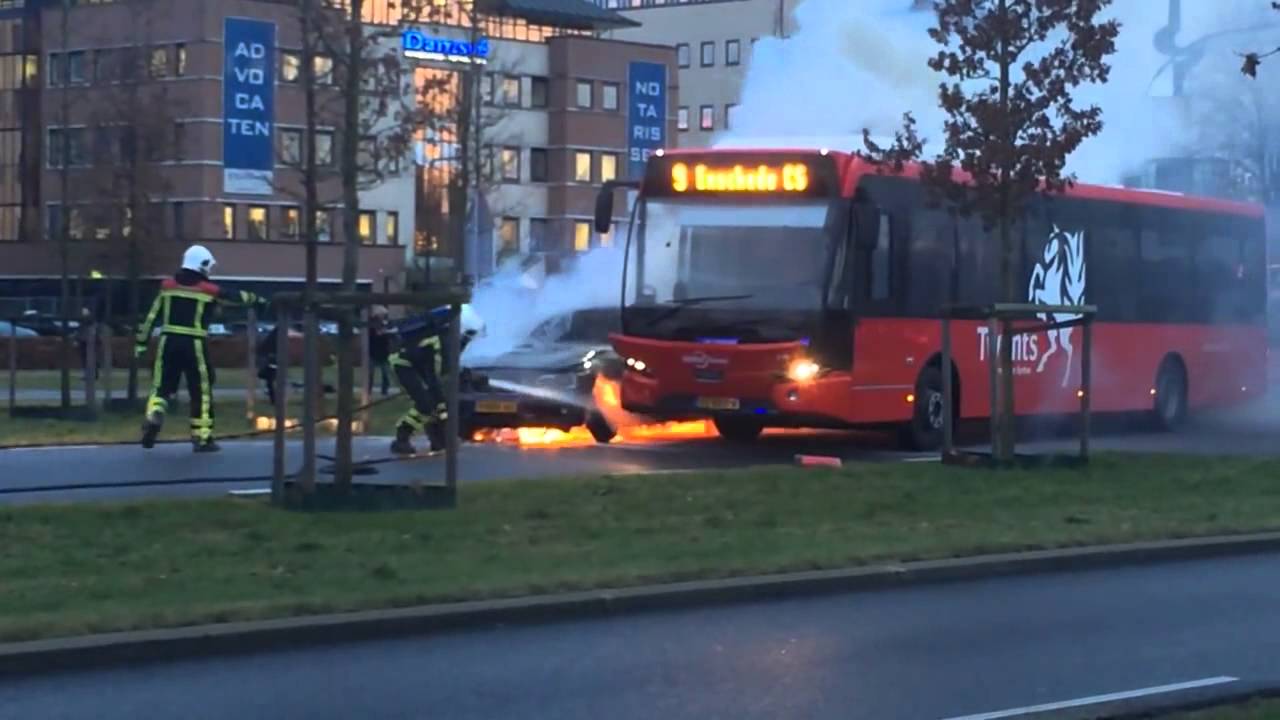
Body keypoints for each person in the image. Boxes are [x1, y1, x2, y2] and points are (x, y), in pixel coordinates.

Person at [136, 245, 265, 452]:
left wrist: (141, 344)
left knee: (161, 387)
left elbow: (151, 317)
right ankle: (202, 438)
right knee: (201, 391)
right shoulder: (208, 290)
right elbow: (234, 297)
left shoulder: (167, 287)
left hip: (168, 342)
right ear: (202, 265)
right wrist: (258, 300)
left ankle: (155, 414)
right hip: (194, 344)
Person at [389, 304, 484, 456]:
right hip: (403, 364)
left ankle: (438, 439)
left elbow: (439, 372)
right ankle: (402, 438)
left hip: (416, 363)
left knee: (435, 402)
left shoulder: (442, 338)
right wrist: (444, 415)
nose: (465, 343)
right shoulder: (440, 343)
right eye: (466, 338)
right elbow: (435, 378)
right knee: (426, 404)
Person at [367, 305, 391, 397]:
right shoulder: (371, 325)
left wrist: (385, 333)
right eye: (382, 315)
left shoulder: (385, 324)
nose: (383, 317)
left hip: (383, 353)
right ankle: (368, 390)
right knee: (370, 374)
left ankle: (384, 390)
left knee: (385, 374)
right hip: (373, 352)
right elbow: (371, 336)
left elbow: (386, 337)